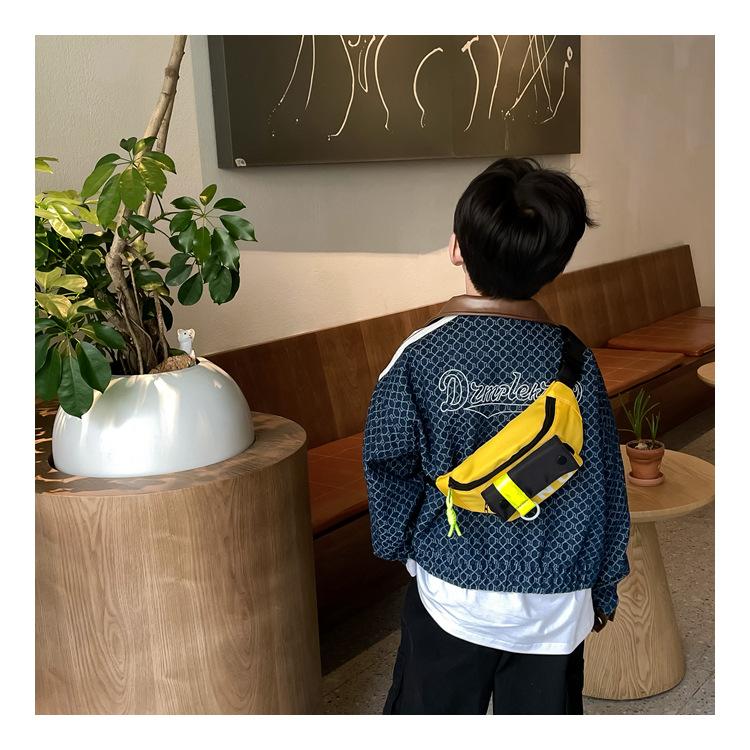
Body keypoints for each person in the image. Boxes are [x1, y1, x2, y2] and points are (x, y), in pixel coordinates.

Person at [362, 157, 630, 715]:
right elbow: (604, 486)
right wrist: (604, 585)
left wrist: (405, 546)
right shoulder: (574, 360)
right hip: (555, 603)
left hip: (450, 590)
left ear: (457, 248)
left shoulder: (419, 356)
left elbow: (387, 462)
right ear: (554, 267)